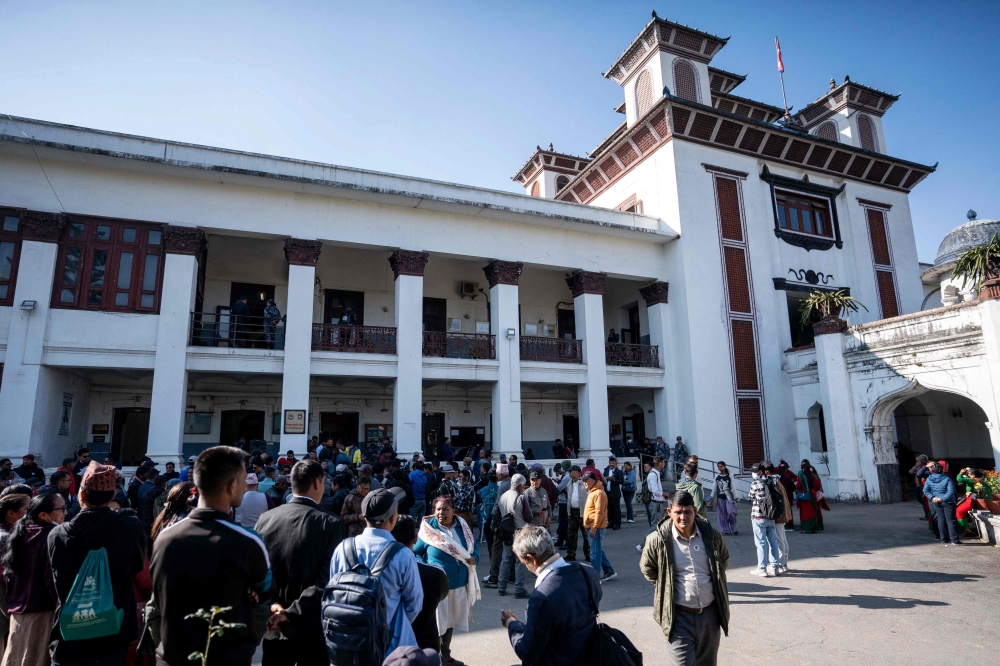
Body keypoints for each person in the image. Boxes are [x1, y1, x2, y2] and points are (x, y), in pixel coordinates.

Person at [151, 446, 272, 666]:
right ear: (232, 485)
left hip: (172, 657)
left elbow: (156, 604)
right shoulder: (248, 541)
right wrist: (250, 638)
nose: (245, 486)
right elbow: (263, 595)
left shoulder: (165, 538)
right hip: (228, 657)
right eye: (243, 480)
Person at [49, 462, 146, 666]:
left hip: (71, 626)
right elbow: (137, 566)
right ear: (113, 495)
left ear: (81, 495)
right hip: (113, 624)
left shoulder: (58, 534)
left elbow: (57, 576)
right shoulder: (130, 528)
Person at [256, 460, 347, 666]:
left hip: (274, 623)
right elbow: (328, 579)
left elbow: (258, 572)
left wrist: (274, 607)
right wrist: (291, 613)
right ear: (316, 483)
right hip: (311, 625)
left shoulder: (266, 519)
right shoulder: (331, 523)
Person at [639, 490, 730, 666]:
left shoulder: (711, 536)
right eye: (678, 512)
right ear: (669, 512)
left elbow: (723, 561)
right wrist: (665, 585)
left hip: (710, 616)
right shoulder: (657, 540)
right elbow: (647, 568)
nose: (683, 517)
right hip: (678, 617)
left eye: (687, 511)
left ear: (694, 510)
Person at [328, 487, 424, 653]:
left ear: (364, 516)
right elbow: (414, 604)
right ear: (393, 517)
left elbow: (332, 592)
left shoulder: (342, 549)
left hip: (349, 643)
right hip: (392, 646)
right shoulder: (403, 554)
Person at [501, 525, 600, 666]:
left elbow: (527, 653)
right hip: (591, 656)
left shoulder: (542, 596)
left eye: (524, 563)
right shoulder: (588, 572)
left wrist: (511, 624)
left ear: (531, 558)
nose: (526, 567)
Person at [414, 497, 480, 666]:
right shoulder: (428, 530)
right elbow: (416, 553)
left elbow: (474, 547)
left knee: (450, 622)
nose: (441, 513)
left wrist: (474, 558)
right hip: (437, 588)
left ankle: (445, 656)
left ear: (453, 511)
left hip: (459, 584)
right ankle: (433, 659)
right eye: (438, 509)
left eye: (445, 509)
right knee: (435, 625)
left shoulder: (462, 527)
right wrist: (427, 570)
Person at [1, 493, 64, 666]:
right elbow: (51, 578)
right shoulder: (51, 534)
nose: (65, 513)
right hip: (42, 611)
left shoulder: (21, 532)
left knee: (16, 657)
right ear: (43, 515)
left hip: (18, 612)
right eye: (61, 508)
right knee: (35, 658)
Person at [392, 515, 448, 653]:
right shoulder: (436, 573)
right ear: (415, 538)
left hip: (393, 647)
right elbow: (443, 594)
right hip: (427, 646)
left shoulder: (382, 573)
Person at [496, 474, 533, 598]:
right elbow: (529, 517)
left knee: (506, 559)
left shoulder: (503, 496)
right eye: (523, 485)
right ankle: (519, 589)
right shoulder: (521, 497)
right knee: (520, 561)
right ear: (520, 485)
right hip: (519, 531)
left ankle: (501, 587)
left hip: (506, 531)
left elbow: (496, 513)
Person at [582, 471, 616, 582]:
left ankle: (595, 577)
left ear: (592, 480)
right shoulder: (593, 491)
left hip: (595, 527)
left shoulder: (599, 493)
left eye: (586, 481)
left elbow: (599, 512)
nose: (584, 483)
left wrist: (594, 528)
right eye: (583, 481)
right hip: (593, 526)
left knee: (594, 553)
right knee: (597, 550)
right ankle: (608, 570)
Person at [748, 462, 781, 577]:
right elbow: (778, 475)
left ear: (760, 472)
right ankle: (775, 566)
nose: (753, 474)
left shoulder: (755, 484)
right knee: (773, 542)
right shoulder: (773, 480)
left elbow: (750, 497)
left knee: (761, 543)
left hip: (758, 516)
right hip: (771, 516)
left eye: (754, 472)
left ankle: (762, 568)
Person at [923, 462, 962, 545]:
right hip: (948, 502)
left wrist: (933, 498)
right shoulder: (947, 479)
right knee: (951, 521)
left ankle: (944, 539)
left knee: (941, 519)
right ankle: (954, 540)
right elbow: (951, 491)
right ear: (942, 470)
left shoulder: (929, 479)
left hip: (936, 501)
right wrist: (942, 498)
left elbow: (925, 490)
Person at [563, 466, 590, 563]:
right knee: (571, 534)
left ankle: (588, 554)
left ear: (577, 472)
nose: (569, 473)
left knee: (586, 535)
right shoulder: (569, 483)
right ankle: (571, 554)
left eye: (571, 471)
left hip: (583, 511)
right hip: (572, 511)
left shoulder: (584, 483)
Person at [769, 462, 792, 572]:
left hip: (778, 516)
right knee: (782, 539)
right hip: (782, 515)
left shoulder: (775, 483)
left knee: (779, 541)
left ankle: (781, 564)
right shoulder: (778, 482)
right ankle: (784, 563)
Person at [796, 459, 829, 534]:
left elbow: (797, 486)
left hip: (805, 496)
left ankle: (807, 529)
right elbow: (817, 485)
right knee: (813, 511)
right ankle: (815, 527)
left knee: (806, 513)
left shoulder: (802, 476)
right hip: (813, 494)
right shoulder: (813, 476)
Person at [713, 461, 738, 536]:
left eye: (721, 466)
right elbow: (714, 488)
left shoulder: (729, 476)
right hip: (720, 498)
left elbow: (733, 487)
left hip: (729, 497)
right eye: (718, 466)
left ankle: (733, 528)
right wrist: (711, 497)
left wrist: (736, 496)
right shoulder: (717, 476)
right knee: (722, 514)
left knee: (731, 512)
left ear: (724, 466)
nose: (720, 468)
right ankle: (725, 529)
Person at [603, 456, 624, 530]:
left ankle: (617, 524)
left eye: (613, 463)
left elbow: (621, 481)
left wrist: (614, 480)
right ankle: (610, 522)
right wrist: (605, 478)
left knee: (616, 509)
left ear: (616, 463)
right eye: (610, 463)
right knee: (609, 508)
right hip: (607, 492)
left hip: (615, 493)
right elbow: (602, 478)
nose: (611, 464)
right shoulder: (606, 470)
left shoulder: (618, 471)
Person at [775, 461, 798, 530]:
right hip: (788, 497)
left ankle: (781, 525)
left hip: (778, 497)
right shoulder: (787, 477)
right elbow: (793, 487)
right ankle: (789, 526)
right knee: (788, 511)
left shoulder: (775, 478)